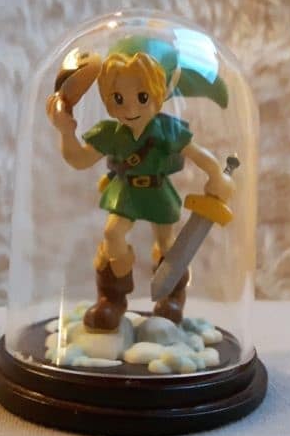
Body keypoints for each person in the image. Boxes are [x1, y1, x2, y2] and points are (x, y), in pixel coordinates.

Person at [46, 38, 233, 331]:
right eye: (118, 98)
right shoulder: (111, 134)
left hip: (158, 191)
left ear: (161, 92)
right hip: (126, 191)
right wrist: (66, 132)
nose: (130, 107)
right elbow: (79, 160)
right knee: (112, 234)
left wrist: (217, 175)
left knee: (167, 244)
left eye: (142, 97)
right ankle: (112, 298)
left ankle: (172, 297)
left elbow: (197, 154)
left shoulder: (166, 130)